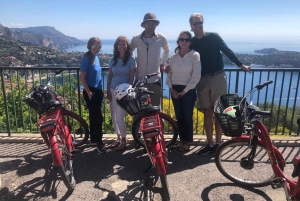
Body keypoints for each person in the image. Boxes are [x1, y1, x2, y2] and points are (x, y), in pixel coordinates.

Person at [189, 13, 251, 155]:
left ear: (203, 23)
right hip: (202, 80)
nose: (198, 26)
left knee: (219, 111)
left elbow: (227, 51)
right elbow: (184, 56)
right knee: (207, 112)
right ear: (191, 26)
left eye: (200, 23)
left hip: (218, 77)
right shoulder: (192, 42)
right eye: (195, 23)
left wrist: (241, 65)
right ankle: (209, 143)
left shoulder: (213, 37)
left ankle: (218, 143)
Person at [166, 31, 201, 151]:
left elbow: (196, 76)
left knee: (187, 117)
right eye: (182, 39)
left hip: (188, 91)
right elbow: (169, 74)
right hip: (175, 89)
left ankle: (188, 141)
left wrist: (184, 91)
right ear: (178, 41)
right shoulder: (174, 57)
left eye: (186, 40)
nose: (184, 42)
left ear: (190, 42)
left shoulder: (194, 55)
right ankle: (181, 140)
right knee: (179, 117)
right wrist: (171, 89)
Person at [131, 12, 170, 107]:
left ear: (156, 25)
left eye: (153, 23)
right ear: (144, 25)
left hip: (155, 79)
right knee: (138, 108)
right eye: (148, 23)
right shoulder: (136, 39)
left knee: (156, 107)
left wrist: (163, 63)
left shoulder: (161, 38)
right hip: (140, 79)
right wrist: (133, 63)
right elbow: (130, 51)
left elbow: (167, 50)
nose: (151, 26)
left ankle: (156, 122)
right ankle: (138, 123)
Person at [107, 36, 136, 151]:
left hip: (123, 92)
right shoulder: (113, 60)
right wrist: (108, 90)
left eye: (124, 44)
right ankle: (118, 138)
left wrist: (127, 91)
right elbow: (109, 76)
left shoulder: (131, 60)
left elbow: (131, 77)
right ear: (116, 46)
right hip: (113, 89)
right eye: (119, 44)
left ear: (127, 46)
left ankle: (123, 140)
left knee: (119, 117)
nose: (121, 46)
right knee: (114, 116)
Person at [80, 37, 104, 151]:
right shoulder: (86, 59)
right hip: (91, 92)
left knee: (94, 116)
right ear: (90, 46)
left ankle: (93, 138)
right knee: (98, 117)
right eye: (95, 46)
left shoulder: (96, 58)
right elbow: (82, 78)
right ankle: (99, 142)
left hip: (97, 91)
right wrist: (89, 92)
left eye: (99, 46)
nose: (97, 48)